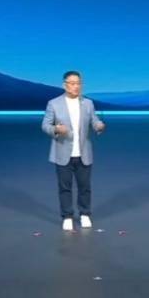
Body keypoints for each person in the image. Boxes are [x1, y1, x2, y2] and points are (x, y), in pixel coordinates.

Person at [41, 70, 105, 231]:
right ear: (65, 85)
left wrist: (98, 126)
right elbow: (45, 125)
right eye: (73, 83)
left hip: (84, 152)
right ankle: (67, 216)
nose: (77, 86)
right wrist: (56, 129)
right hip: (62, 152)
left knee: (85, 187)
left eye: (79, 83)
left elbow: (94, 120)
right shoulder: (54, 103)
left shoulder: (88, 103)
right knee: (65, 187)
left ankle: (85, 214)